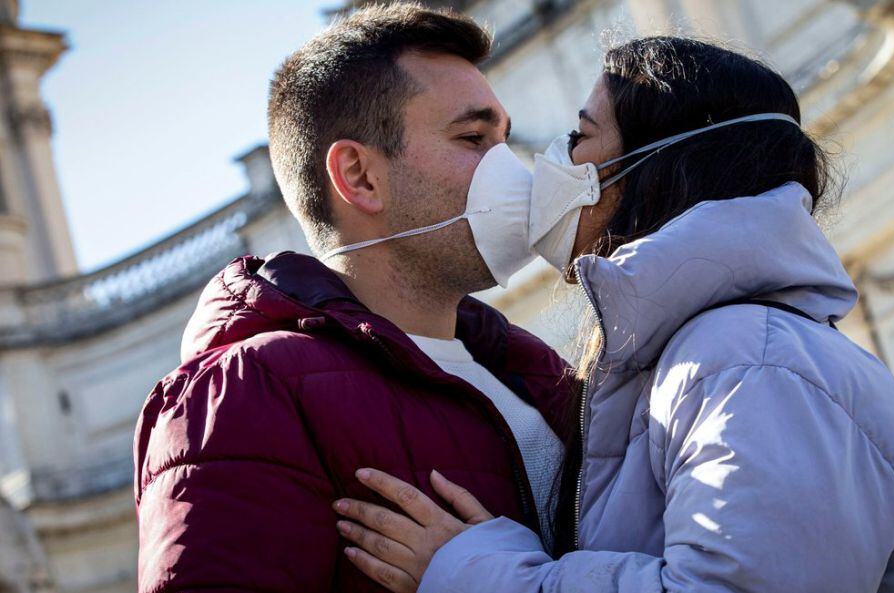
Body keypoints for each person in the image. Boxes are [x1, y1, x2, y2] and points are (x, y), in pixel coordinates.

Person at [331, 36, 894, 593]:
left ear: (651, 168)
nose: (548, 165)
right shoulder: (714, 353)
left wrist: (474, 573)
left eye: (579, 136)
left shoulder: (751, 359)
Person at [132, 5, 574, 592]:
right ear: (360, 177)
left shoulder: (541, 372)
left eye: (503, 139)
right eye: (473, 138)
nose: (513, 170)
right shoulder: (241, 396)